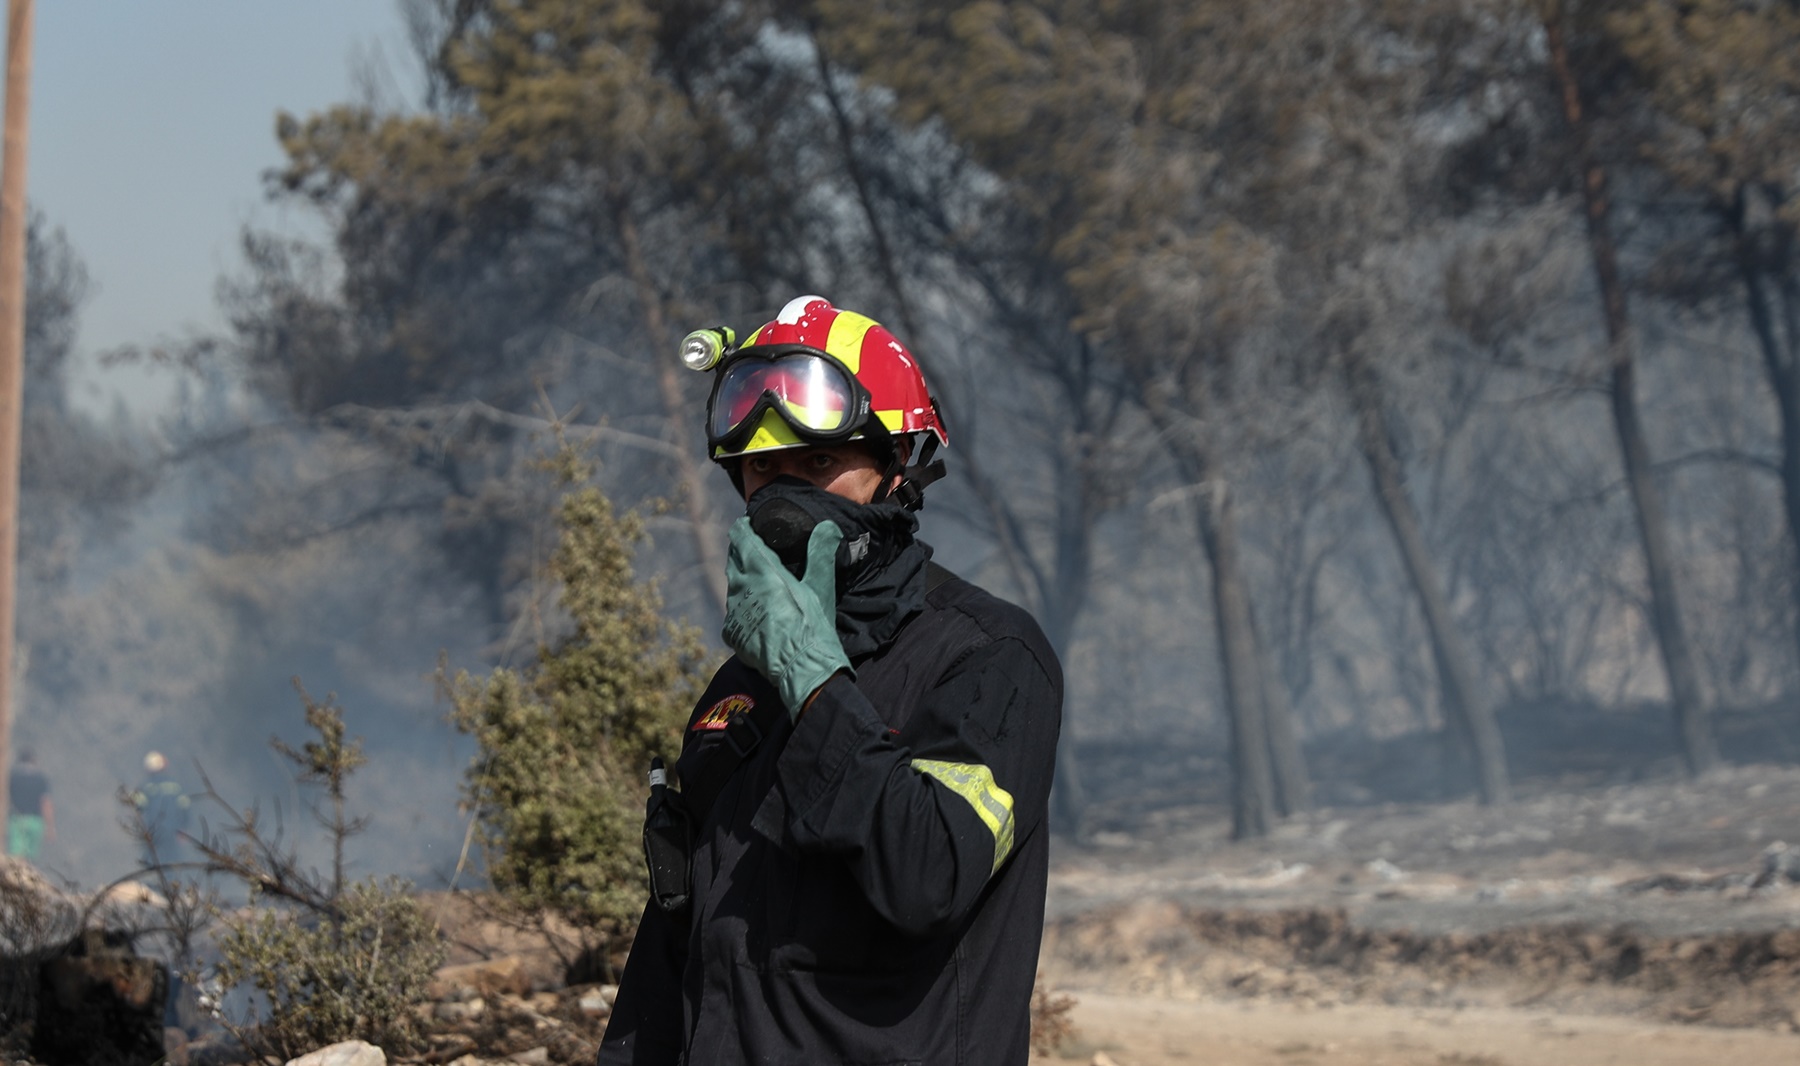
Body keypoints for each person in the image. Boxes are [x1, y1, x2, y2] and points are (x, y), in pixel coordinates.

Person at [600, 296, 1064, 1065]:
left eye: (819, 464)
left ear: (897, 471)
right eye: (763, 470)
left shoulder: (991, 658)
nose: (786, 497)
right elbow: (675, 957)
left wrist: (815, 682)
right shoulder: (737, 691)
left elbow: (929, 876)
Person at [131, 750, 190, 865]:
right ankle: (170, 880)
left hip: (153, 830)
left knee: (150, 860)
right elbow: (185, 807)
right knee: (172, 860)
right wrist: (184, 827)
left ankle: (154, 880)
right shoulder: (175, 786)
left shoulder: (147, 787)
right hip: (173, 830)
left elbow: (138, 805)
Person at [6, 747, 54, 861]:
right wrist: (50, 826)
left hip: (16, 820)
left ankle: (16, 877)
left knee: (16, 857)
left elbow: (6, 799)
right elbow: (46, 803)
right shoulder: (41, 779)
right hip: (35, 822)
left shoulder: (13, 777)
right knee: (30, 858)